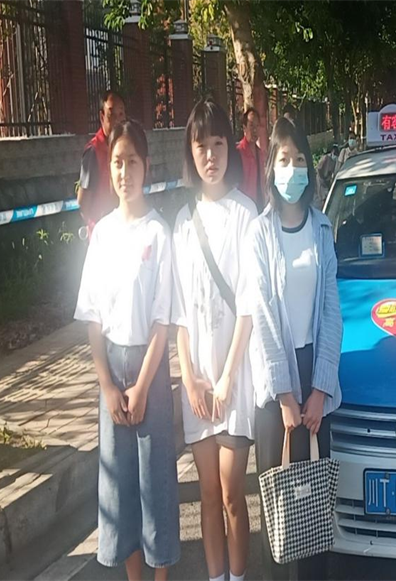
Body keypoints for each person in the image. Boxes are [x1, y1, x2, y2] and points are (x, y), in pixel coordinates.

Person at [74, 119, 180, 581]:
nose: (124, 172)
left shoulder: (159, 233)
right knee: (120, 487)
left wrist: (141, 387)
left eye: (132, 162)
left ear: (146, 166)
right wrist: (107, 385)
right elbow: (93, 316)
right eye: (117, 162)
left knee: (155, 483)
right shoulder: (101, 234)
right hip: (111, 372)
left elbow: (162, 320)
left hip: (148, 371)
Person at [248, 117, 343, 581]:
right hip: (277, 383)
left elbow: (332, 312)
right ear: (271, 167)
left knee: (314, 504)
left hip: (315, 374)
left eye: (299, 159)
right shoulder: (259, 233)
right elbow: (262, 315)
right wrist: (285, 395)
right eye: (283, 159)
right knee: (281, 507)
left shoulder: (322, 229)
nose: (292, 168)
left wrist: (320, 390)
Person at [172, 99, 256, 581]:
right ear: (191, 151)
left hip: (235, 382)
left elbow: (248, 306)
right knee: (205, 495)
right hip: (199, 386)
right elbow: (179, 313)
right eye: (201, 145)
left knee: (230, 493)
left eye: (218, 144)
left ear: (230, 149)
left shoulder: (246, 214)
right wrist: (190, 379)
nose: (210, 155)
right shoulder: (183, 222)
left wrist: (226, 379)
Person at [77, 90, 126, 233]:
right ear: (102, 116)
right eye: (111, 114)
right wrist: (96, 227)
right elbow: (83, 202)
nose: (117, 120)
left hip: (125, 229)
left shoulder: (125, 147)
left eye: (121, 114)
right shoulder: (93, 151)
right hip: (103, 232)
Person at [236, 106, 267, 211]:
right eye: (251, 125)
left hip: (259, 207)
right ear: (244, 127)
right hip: (243, 208)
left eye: (257, 126)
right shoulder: (238, 152)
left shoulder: (261, 153)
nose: (255, 130)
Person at [314, 144, 339, 209]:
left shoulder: (334, 160)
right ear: (332, 151)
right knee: (322, 195)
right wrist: (322, 178)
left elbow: (332, 171)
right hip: (320, 178)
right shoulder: (325, 158)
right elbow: (319, 168)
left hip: (327, 179)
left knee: (327, 195)